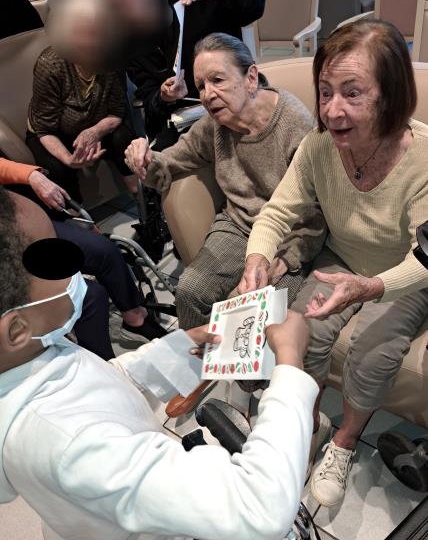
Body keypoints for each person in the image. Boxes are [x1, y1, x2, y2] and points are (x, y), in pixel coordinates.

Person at [0, 185, 318, 540]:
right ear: (16, 329)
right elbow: (260, 508)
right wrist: (290, 364)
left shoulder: (31, 354)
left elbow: (99, 383)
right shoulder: (70, 446)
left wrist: (178, 348)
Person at [239, 19, 428, 508]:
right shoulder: (318, 148)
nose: (332, 110)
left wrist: (371, 288)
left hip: (401, 274)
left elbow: (425, 258)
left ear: (389, 96)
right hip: (340, 259)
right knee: (302, 333)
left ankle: (344, 441)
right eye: (325, 92)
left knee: (371, 356)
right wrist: (257, 258)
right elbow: (277, 212)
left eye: (352, 93)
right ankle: (309, 422)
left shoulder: (423, 157)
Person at [125, 33, 327, 330]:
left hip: (289, 235)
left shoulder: (295, 126)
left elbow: (317, 215)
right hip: (238, 225)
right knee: (190, 292)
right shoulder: (214, 124)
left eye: (217, 80)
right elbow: (170, 163)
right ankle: (202, 360)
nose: (207, 95)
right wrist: (144, 158)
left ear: (251, 78)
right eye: (201, 86)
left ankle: (251, 363)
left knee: (261, 319)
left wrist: (285, 261)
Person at [88, 0, 265, 147]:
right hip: (186, 120)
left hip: (234, 102)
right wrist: (164, 97)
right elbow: (149, 100)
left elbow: (257, 1)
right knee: (157, 158)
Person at [0, 157, 166, 353]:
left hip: (12, 226)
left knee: (104, 250)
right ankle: (104, 363)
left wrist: (31, 175)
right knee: (88, 296)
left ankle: (135, 318)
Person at [26, 0, 138, 203]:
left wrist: (94, 132)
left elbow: (117, 111)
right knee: (56, 168)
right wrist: (69, 159)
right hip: (52, 132)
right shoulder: (50, 65)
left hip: (97, 122)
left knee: (124, 137)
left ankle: (144, 201)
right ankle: (77, 217)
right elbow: (44, 129)